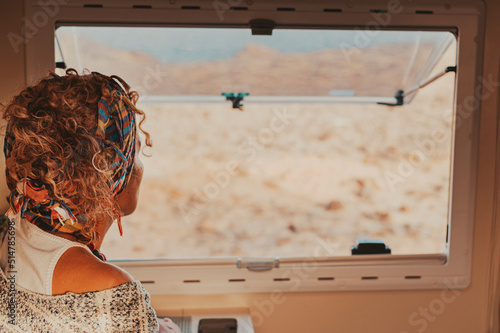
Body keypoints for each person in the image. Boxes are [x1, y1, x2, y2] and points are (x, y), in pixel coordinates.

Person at [0, 69, 181, 332]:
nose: (139, 166)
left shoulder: (12, 228)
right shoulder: (110, 291)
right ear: (110, 171)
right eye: (136, 153)